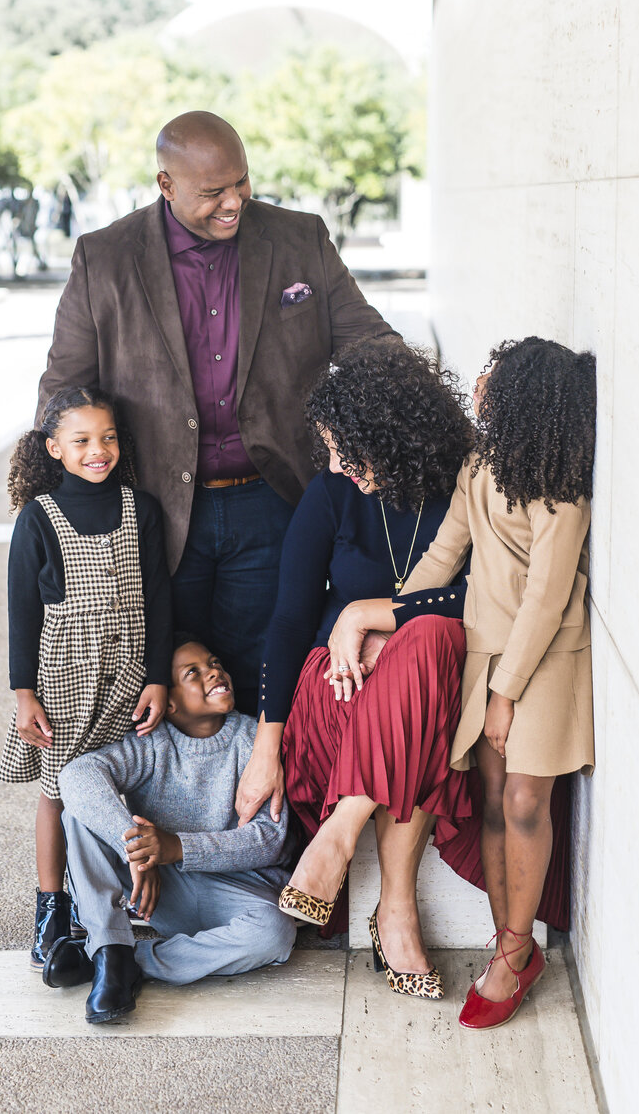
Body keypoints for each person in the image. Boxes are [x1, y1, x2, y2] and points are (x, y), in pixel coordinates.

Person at [37, 110, 395, 716]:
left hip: (272, 497)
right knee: (155, 676)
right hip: (152, 504)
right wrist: (56, 516)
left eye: (241, 182)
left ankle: (264, 807)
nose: (234, 201)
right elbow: (63, 391)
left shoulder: (300, 238)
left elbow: (373, 344)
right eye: (213, 192)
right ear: (165, 184)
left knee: (264, 673)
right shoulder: (105, 259)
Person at [235, 338, 478, 999]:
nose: (339, 464)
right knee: (419, 699)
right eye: (331, 448)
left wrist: (368, 613)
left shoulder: (465, 483)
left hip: (418, 676)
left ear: (396, 435)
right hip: (335, 683)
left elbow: (488, 595)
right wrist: (267, 741)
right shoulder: (332, 493)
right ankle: (395, 913)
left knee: (425, 646)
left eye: (350, 448)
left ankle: (339, 839)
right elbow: (287, 621)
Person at [400, 337, 596, 1030]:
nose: (479, 382)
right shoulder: (481, 464)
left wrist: (505, 694)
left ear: (523, 398)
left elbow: (545, 601)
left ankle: (516, 955)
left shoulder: (562, 490)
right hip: (485, 652)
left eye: (494, 376)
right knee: (488, 800)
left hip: (542, 662)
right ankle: (509, 943)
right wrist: (392, 622)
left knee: (521, 801)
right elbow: (446, 551)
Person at [0, 386, 173, 969]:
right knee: (56, 790)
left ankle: (100, 900)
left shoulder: (139, 508)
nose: (97, 450)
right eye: (81, 441)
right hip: (65, 672)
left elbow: (157, 600)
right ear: (54, 448)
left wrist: (157, 677)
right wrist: (26, 694)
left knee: (112, 785)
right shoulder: (38, 517)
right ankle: (52, 904)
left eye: (108, 438)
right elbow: (21, 611)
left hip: (126, 669)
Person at [42, 636, 295, 1025]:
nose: (213, 671)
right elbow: (76, 775)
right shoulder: (152, 744)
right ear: (168, 702)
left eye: (214, 662)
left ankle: (120, 960)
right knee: (80, 812)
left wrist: (176, 847)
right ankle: (110, 947)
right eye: (192, 673)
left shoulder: (254, 740)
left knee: (274, 934)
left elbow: (270, 841)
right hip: (160, 889)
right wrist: (136, 849)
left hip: (236, 893)